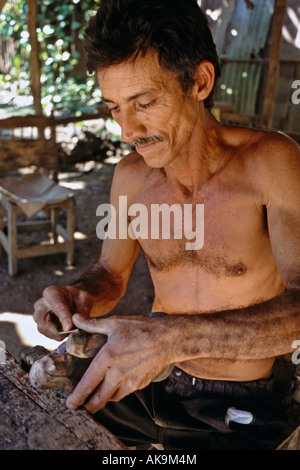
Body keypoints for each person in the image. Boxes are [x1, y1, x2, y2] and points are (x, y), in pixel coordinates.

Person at [33, 0, 300, 450]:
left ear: (199, 81)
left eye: (145, 103)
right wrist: (79, 294)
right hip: (152, 375)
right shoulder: (130, 177)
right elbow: (111, 274)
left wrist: (171, 338)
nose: (126, 129)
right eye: (115, 107)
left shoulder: (270, 163)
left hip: (239, 399)